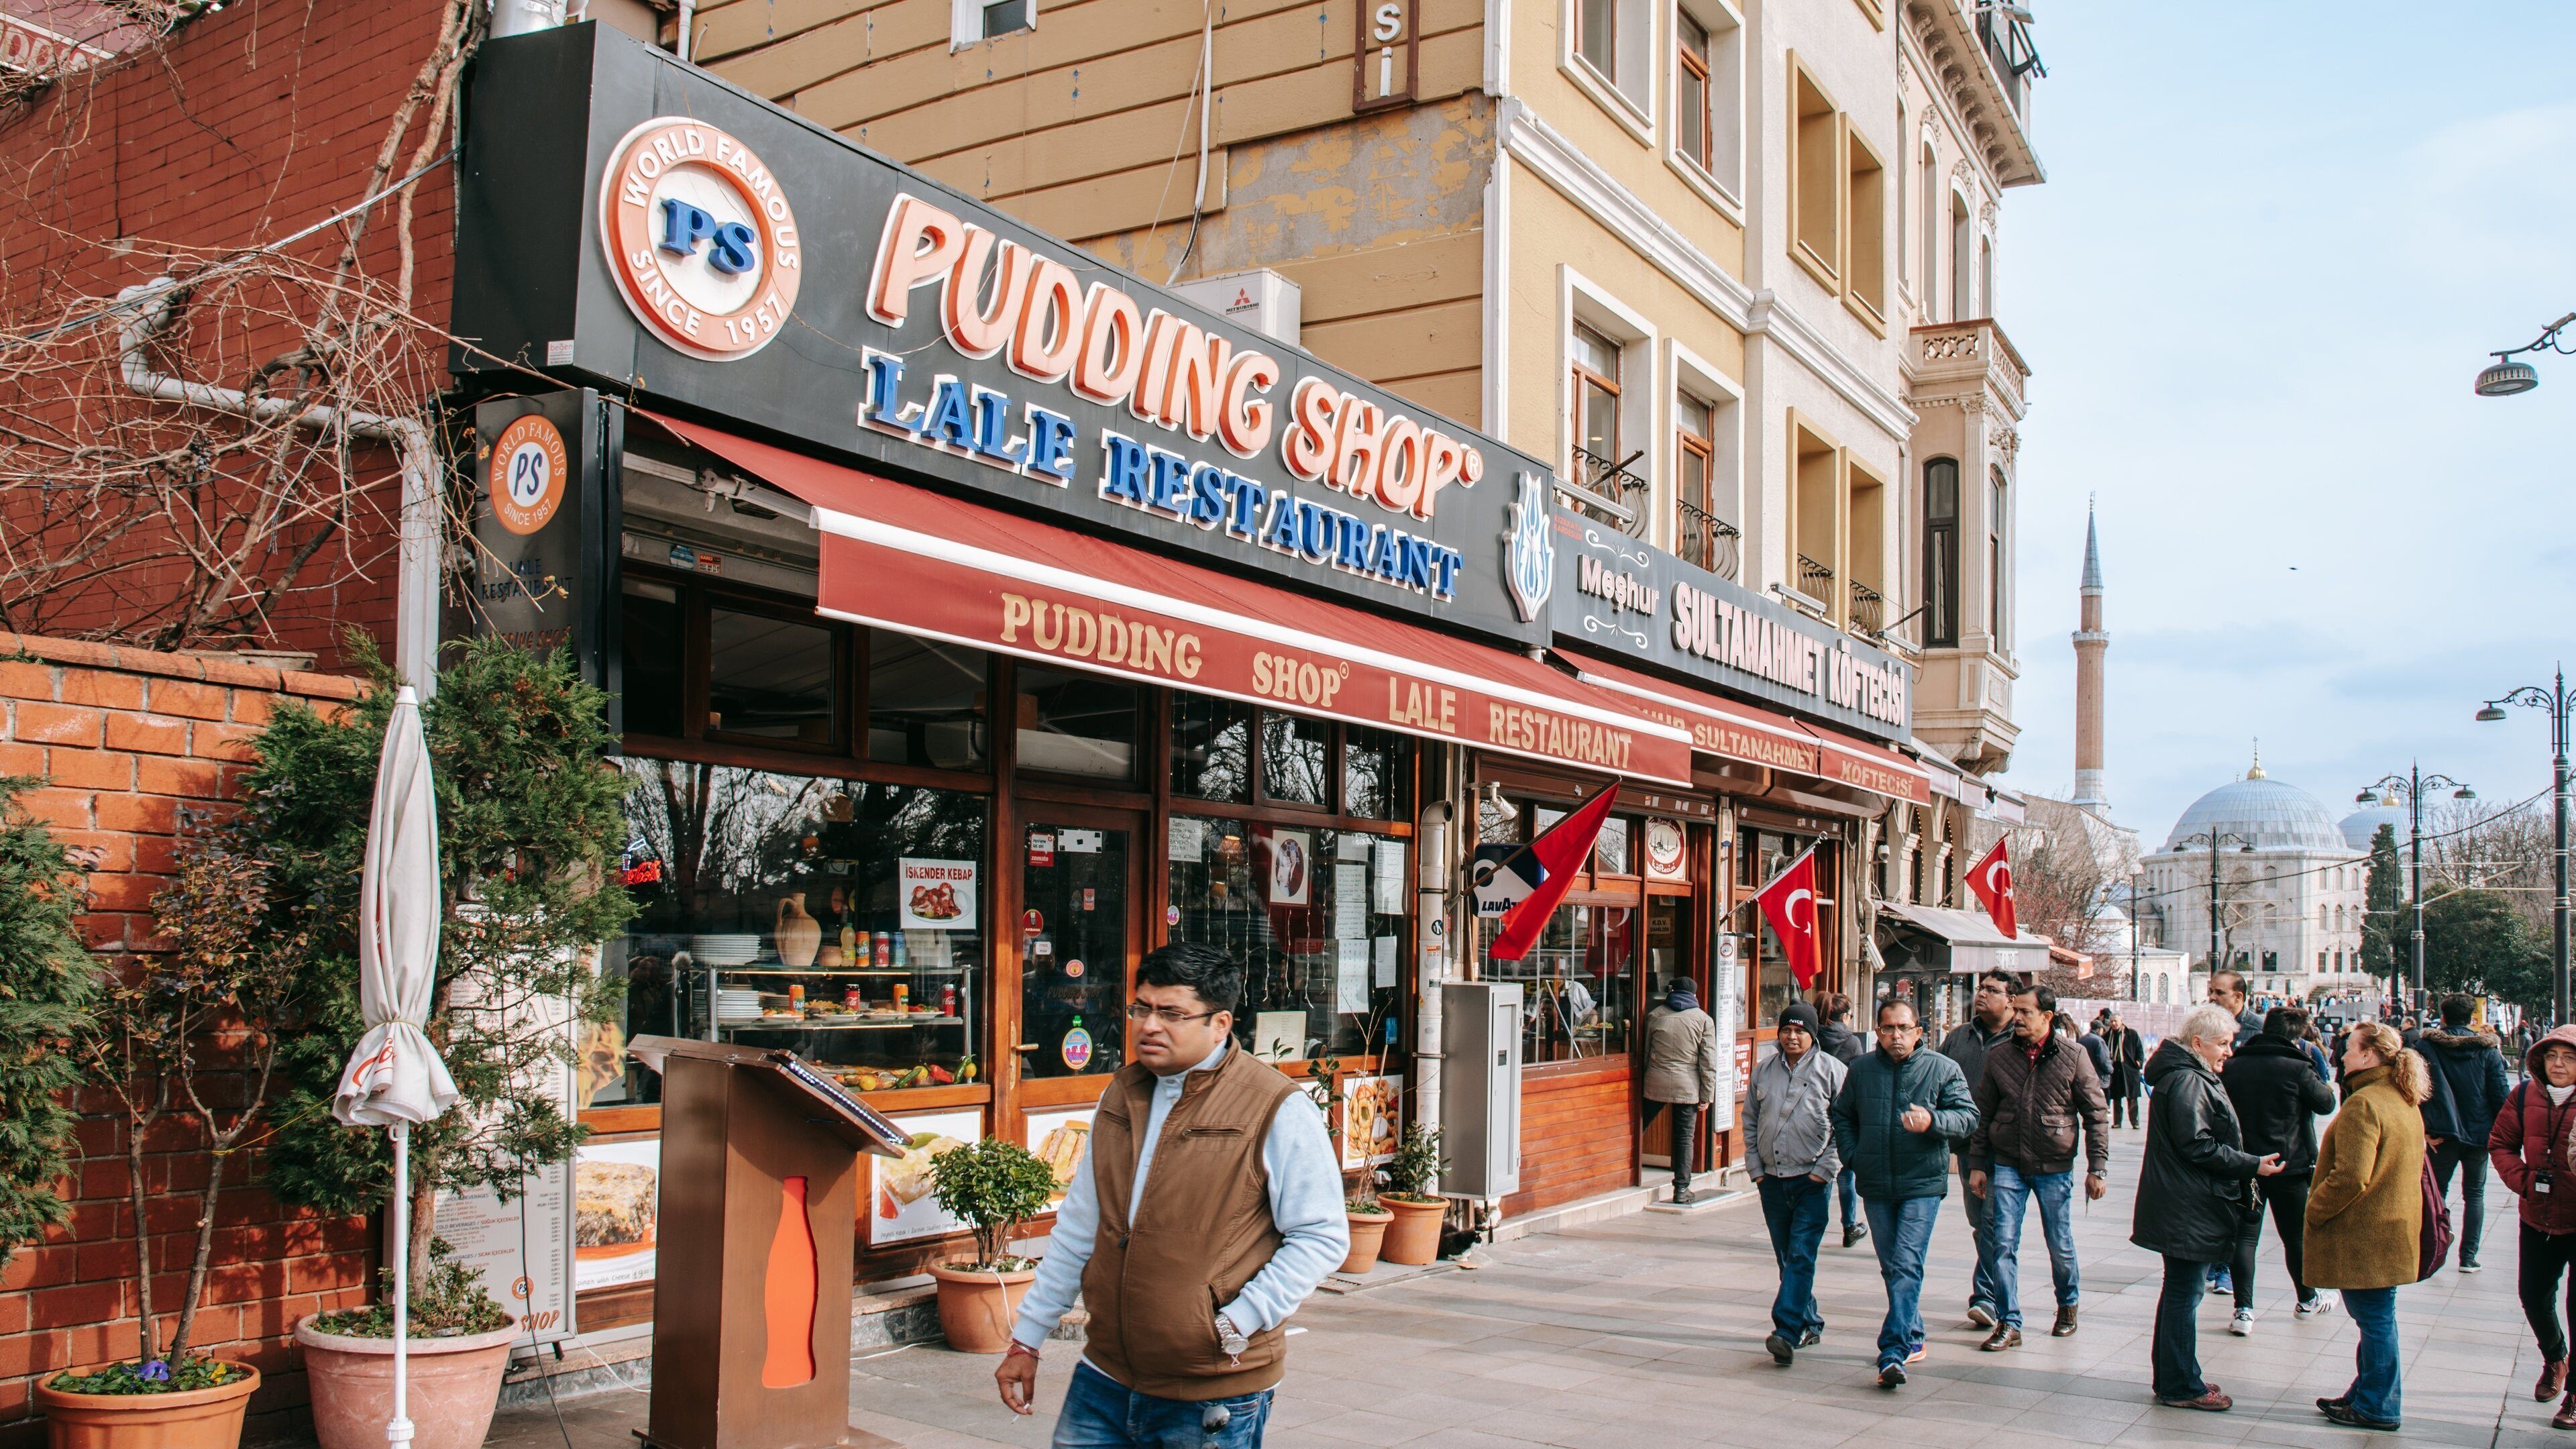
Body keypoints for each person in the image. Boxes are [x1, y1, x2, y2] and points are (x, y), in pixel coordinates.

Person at [998, 945, 1346, 1449]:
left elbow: (1321, 1236)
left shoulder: (1274, 1106)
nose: (1149, 1026)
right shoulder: (1122, 1093)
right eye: (1141, 1008)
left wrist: (1236, 1321)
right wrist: (1027, 1338)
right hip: (1105, 1376)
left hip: (1212, 1393)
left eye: (1172, 1014)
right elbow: (1079, 1225)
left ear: (1220, 1023)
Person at [2133, 1004, 2285, 1412]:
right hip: (2188, 1203)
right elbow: (2196, 1144)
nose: (2229, 1052)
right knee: (2185, 1293)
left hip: (2185, 1200)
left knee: (2181, 1291)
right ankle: (2181, 1385)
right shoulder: (2188, 1079)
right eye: (2223, 1043)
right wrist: (2252, 1163)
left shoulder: (2187, 1075)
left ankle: (2174, 1377)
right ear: (2198, 1043)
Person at [1831, 998, 1978, 1389]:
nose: (1896, 1036)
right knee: (1892, 1266)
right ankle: (1913, 1334)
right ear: (1877, 1031)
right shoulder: (1861, 1069)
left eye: (1904, 1028)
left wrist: (1933, 1121)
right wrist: (1853, 1155)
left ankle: (1892, 1352)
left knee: (1907, 1262)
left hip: (1922, 1184)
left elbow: (1968, 1117)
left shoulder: (1944, 1069)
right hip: (1876, 1182)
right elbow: (1842, 1114)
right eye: (1888, 1028)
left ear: (1919, 1032)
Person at [1965, 982, 2110, 1348]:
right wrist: (1979, 1164)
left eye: (2025, 1012)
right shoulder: (2000, 1056)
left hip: (2054, 1164)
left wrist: (2098, 1166)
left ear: (2047, 1016)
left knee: (2058, 1242)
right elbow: (1984, 1114)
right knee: (2002, 1242)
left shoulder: (2074, 1055)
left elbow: (2096, 1114)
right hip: (2008, 1162)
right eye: (2016, 1011)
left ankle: (2067, 1305)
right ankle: (2009, 1321)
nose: (2017, 1018)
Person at [2304, 1020, 2430, 1432]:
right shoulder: (2401, 1097)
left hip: (2367, 1233)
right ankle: (2366, 1394)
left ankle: (2377, 1405)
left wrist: (2314, 1208)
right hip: (2391, 1228)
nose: (2341, 1055)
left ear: (2369, 1055)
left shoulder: (2365, 1103)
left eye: (2349, 1048)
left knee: (2375, 1321)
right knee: (2378, 1318)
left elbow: (2350, 1177)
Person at [2220, 1005, 2339, 1332]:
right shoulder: (2297, 1068)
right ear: (2298, 1036)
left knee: (2245, 1238)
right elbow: (2326, 1103)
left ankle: (2243, 1310)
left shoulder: (2234, 1064)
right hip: (2289, 1164)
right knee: (2295, 1237)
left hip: (2246, 1164)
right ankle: (2306, 1299)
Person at [1744, 1003, 1849, 1366]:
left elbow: (1845, 1126)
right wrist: (1755, 1167)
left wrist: (1826, 1168)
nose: (1792, 1037)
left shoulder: (1834, 1071)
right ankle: (1810, 1321)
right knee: (1786, 1256)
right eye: (1787, 1030)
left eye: (1800, 1031)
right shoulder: (1763, 1071)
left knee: (1802, 1253)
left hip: (1812, 1179)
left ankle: (1787, 1330)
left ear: (1813, 1034)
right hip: (1771, 1178)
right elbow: (1750, 1120)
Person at [2491, 1024, 2576, 1429]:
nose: (2559, 1065)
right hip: (2539, 1214)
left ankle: (2575, 1394)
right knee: (2533, 1294)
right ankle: (2556, 1357)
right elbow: (2501, 1143)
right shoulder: (2524, 1094)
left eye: (2570, 1057)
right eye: (2553, 1056)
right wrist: (2524, 1181)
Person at [1935, 969, 2018, 1328]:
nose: (1982, 994)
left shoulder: (2022, 1039)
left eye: (1992, 990)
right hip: (1970, 1146)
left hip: (2008, 1149)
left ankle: (1985, 1296)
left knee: (1993, 1222)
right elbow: (1934, 1076)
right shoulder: (1959, 1038)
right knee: (1980, 1223)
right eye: (1981, 988)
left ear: (2011, 1000)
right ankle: (1997, 1293)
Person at [2418, 993, 2509, 1274]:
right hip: (2480, 1136)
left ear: (2442, 1017)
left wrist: (2423, 1128)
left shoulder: (2425, 1047)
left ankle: (2435, 1247)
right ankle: (2468, 1257)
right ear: (2472, 1019)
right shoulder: (2488, 1051)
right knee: (2475, 1195)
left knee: (2436, 1193)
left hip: (2440, 1134)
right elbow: (2501, 1096)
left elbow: (2414, 1091)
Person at [1641, 977, 1720, 1204]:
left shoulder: (1656, 1015)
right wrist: (1707, 1095)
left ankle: (1621, 1172)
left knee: (1640, 1126)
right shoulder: (1704, 1020)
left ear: (1671, 992)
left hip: (1655, 1081)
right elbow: (1708, 1062)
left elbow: (1645, 1053)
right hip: (1688, 1086)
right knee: (1685, 1137)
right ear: (1694, 996)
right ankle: (1682, 1190)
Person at [1815, 991, 1868, 1246]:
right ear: (1845, 1015)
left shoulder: (1810, 1035)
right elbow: (1857, 1078)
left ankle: (1814, 1224)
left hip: (1811, 1108)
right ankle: (1849, 1226)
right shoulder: (1851, 1042)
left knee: (1817, 1170)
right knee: (1845, 1172)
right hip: (1841, 1110)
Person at [2105, 1012, 2147, 1129]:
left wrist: (2138, 1062)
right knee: (2117, 1098)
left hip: (2130, 1070)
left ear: (2121, 1021)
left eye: (2116, 1021)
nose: (2114, 1024)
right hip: (2116, 1070)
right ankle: (2117, 1122)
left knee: (2132, 1098)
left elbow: (2139, 1049)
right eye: (2112, 1021)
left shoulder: (2131, 1034)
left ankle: (2135, 1122)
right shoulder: (2108, 1036)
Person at [2080, 1014, 2114, 1086]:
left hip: (2084, 1076)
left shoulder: (2082, 1039)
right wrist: (2111, 1070)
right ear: (2100, 1029)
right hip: (2099, 1078)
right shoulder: (2099, 1041)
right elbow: (2104, 1060)